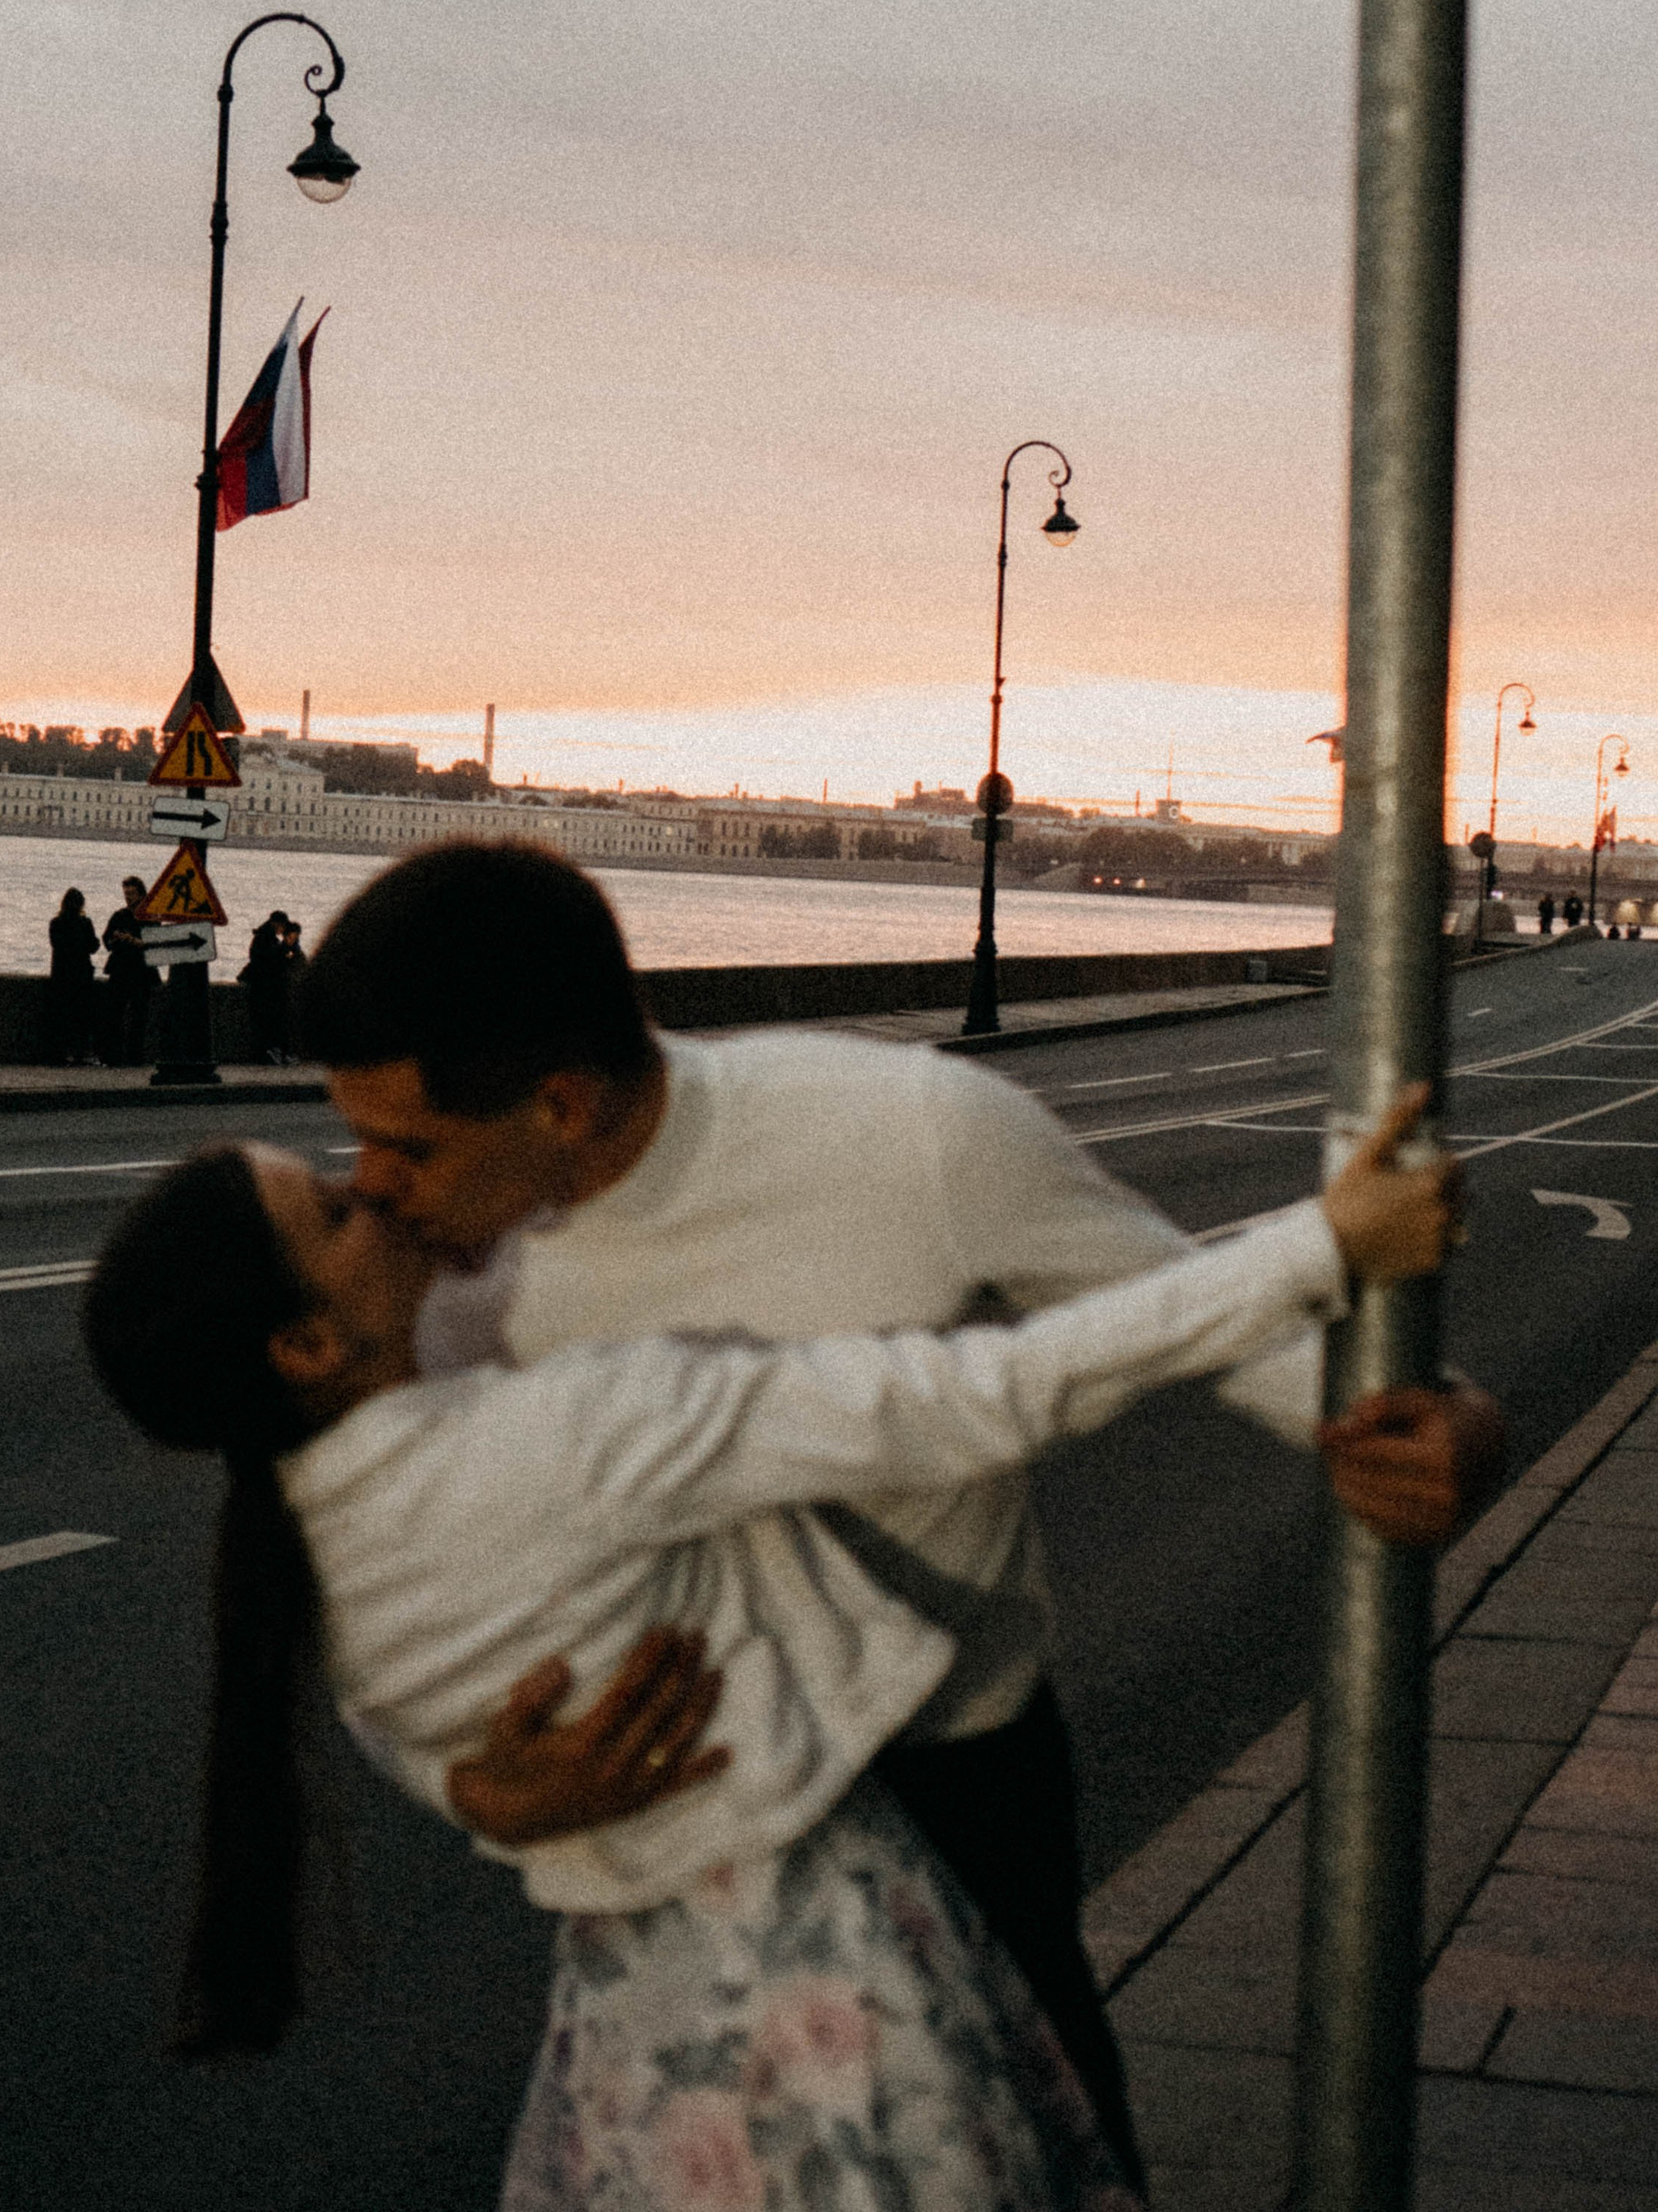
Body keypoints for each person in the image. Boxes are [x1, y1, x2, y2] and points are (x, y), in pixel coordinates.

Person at [292, 843, 1506, 2189]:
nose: (372, 1185)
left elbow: (1208, 1333)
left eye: (404, 1144)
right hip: (678, 1830)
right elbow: (374, 1579)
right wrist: (469, 1787)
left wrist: (1460, 1425)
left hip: (959, 1799)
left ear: (561, 1105)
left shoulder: (914, 1134)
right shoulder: (437, 1298)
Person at [81, 1092, 1454, 2210]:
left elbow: (404, 1725)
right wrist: (1319, 1247)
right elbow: (987, 1392)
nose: (372, 1184)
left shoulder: (307, 1558)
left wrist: (476, 1794)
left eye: (381, 1148)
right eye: (329, 1204)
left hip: (628, 2021)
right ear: (311, 1341)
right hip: (826, 1967)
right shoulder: (563, 1436)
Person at [101, 876, 154, 1066]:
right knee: (114, 1013)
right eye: (126, 894)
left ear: (140, 894)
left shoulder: (150, 916)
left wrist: (134, 941)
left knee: (139, 1016)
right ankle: (113, 1056)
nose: (128, 898)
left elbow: (154, 943)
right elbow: (106, 939)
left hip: (141, 971)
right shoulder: (119, 915)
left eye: (131, 894)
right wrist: (114, 939)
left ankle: (135, 1056)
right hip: (120, 969)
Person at [46, 886, 100, 1066]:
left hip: (61, 975)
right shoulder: (85, 923)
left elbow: (56, 945)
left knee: (62, 1015)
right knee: (82, 1017)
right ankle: (82, 1053)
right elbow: (93, 946)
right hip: (82, 975)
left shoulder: (56, 923)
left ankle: (61, 1053)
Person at [240, 909, 300, 1066]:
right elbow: (268, 961)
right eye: (282, 927)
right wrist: (285, 947)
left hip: (266, 986)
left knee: (270, 1022)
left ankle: (273, 1052)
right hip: (265, 988)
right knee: (270, 1022)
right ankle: (270, 1052)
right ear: (276, 924)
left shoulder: (265, 937)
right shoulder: (265, 939)